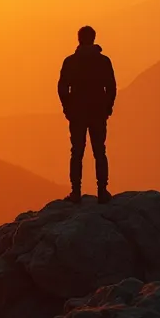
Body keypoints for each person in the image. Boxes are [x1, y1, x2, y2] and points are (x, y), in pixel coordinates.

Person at [57, 25, 117, 204]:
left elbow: (62, 87)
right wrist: (107, 107)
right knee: (100, 151)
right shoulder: (103, 61)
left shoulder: (70, 62)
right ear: (94, 38)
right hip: (98, 112)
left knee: (77, 152)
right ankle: (102, 191)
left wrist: (67, 108)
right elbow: (111, 87)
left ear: (78, 39)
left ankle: (76, 193)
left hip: (77, 113)